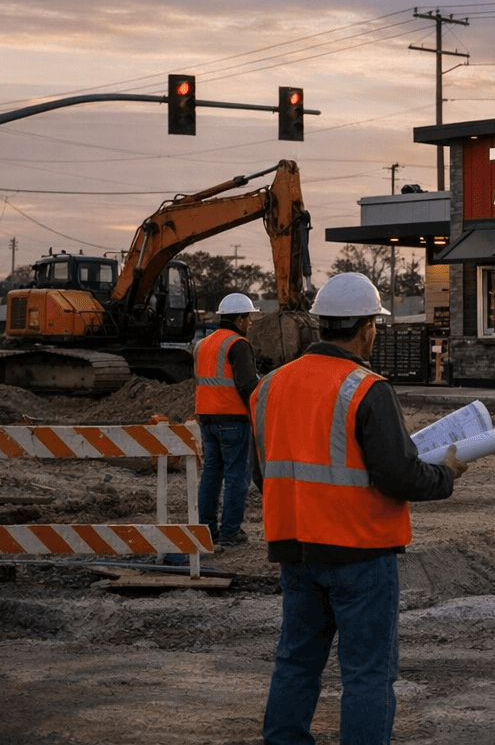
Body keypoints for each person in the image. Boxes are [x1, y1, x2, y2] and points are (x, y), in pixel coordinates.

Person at [252, 272, 469, 745]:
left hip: (295, 548)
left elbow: (262, 474)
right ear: (367, 326)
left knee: (295, 661)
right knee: (367, 674)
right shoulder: (367, 388)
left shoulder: (269, 387)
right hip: (359, 551)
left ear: (321, 324)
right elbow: (398, 476)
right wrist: (446, 475)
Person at [194, 292, 263, 548]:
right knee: (237, 475)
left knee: (211, 473)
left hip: (206, 417)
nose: (251, 323)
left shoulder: (203, 344)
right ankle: (231, 532)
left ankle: (207, 530)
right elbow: (247, 385)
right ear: (241, 318)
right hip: (233, 418)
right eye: (250, 318)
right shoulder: (238, 344)